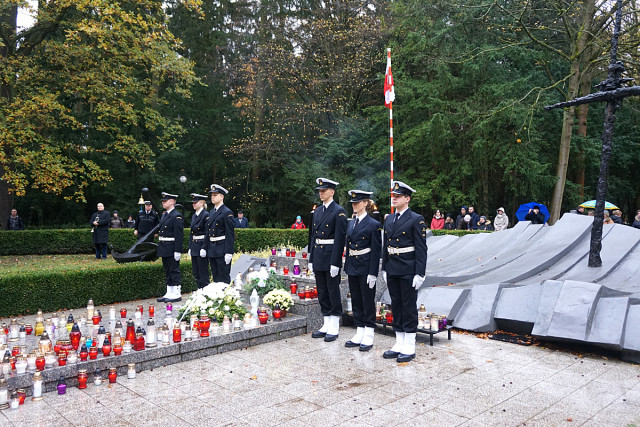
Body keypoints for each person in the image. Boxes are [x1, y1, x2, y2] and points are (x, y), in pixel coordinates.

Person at [381, 181, 427, 363]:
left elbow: (421, 249)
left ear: (407, 199)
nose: (394, 198)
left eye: (398, 196)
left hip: (408, 269)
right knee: (396, 305)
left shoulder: (416, 219)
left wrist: (420, 273)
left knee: (408, 307)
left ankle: (409, 344)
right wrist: (384, 267)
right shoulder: (389, 219)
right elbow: (387, 245)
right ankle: (399, 342)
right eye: (393, 195)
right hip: (393, 268)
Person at [308, 178, 348, 342]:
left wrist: (335, 262)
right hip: (318, 254)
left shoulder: (339, 211)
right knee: (322, 291)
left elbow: (340, 239)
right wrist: (311, 258)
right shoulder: (317, 211)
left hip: (331, 254)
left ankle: (334, 324)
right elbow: (312, 236)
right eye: (320, 190)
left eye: (324, 190)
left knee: (332, 290)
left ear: (332, 191)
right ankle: (326, 322)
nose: (321, 193)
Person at [343, 190, 381, 352]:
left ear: (365, 203)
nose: (354, 205)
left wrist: (373, 273)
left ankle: (369, 333)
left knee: (367, 301)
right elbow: (348, 245)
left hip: (366, 266)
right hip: (353, 265)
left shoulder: (373, 224)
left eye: (357, 202)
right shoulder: (351, 223)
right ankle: (359, 331)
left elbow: (376, 250)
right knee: (356, 300)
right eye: (352, 202)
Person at [202, 184, 235, 283]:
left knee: (223, 277)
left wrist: (228, 252)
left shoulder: (226, 212)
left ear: (222, 196)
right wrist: (204, 246)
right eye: (212, 195)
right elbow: (208, 231)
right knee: (215, 276)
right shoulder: (212, 212)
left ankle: (226, 297)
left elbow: (230, 234)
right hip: (212, 248)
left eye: (215, 195)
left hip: (222, 248)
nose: (213, 197)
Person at [156, 193, 184, 302]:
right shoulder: (165, 215)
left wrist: (178, 250)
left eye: (165, 201)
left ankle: (176, 293)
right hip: (164, 246)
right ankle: (169, 292)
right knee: (167, 270)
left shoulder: (176, 216)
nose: (163, 202)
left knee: (173, 269)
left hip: (172, 247)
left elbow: (179, 235)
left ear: (172, 202)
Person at [188, 194, 210, 289]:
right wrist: (190, 247)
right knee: (196, 271)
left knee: (203, 272)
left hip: (201, 244)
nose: (194, 204)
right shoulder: (194, 215)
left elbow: (207, 233)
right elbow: (191, 233)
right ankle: (199, 290)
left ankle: (205, 291)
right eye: (193, 203)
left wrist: (204, 247)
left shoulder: (206, 215)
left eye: (196, 202)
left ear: (202, 203)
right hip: (195, 245)